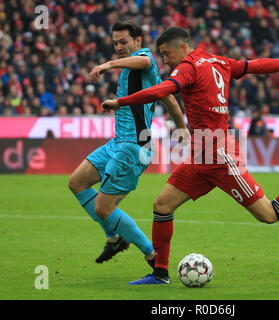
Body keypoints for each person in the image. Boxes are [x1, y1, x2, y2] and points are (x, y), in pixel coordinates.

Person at [101, 27, 279, 285]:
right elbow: (257, 65)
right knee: (162, 206)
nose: (165, 61)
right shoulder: (220, 61)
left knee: (268, 214)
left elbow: (161, 91)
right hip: (200, 153)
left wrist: (119, 102)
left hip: (220, 154)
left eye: (167, 54)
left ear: (182, 47)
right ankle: (159, 274)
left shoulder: (187, 68)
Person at [68, 21, 189, 267]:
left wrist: (108, 64)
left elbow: (144, 61)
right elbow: (171, 101)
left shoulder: (145, 60)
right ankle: (114, 237)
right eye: (115, 43)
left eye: (124, 42)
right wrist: (182, 128)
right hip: (118, 142)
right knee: (77, 182)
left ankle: (151, 254)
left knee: (103, 208)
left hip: (135, 146)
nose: (119, 47)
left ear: (138, 42)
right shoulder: (143, 77)